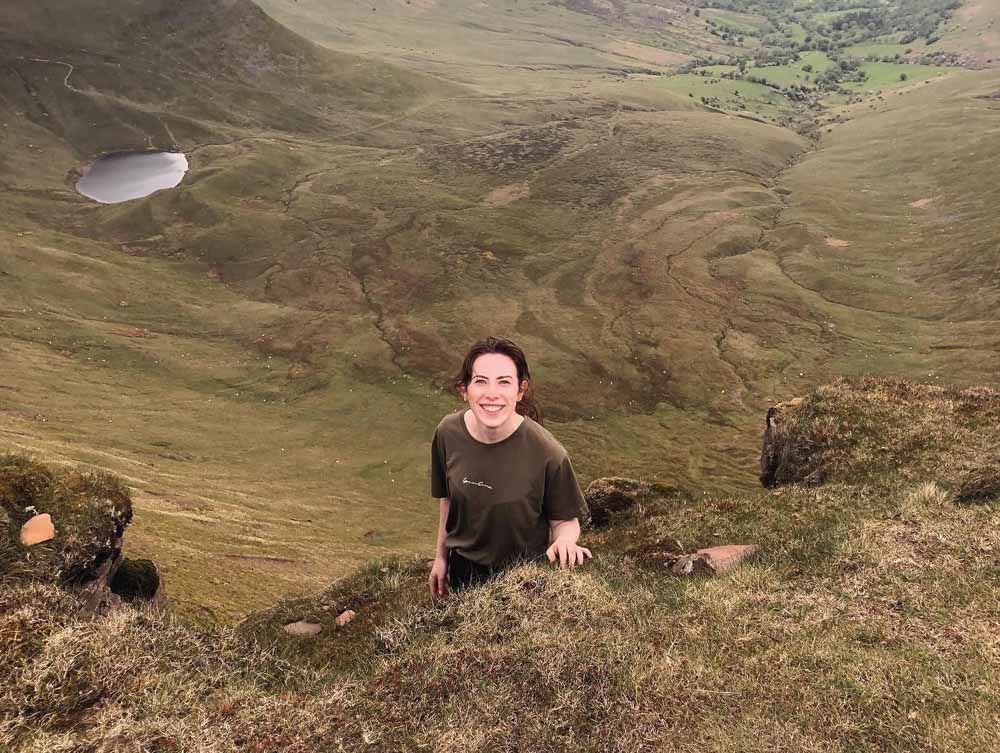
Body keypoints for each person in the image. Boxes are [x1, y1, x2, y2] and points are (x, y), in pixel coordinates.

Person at [428, 336, 592, 598]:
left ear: (520, 390)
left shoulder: (549, 453)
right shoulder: (447, 433)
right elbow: (447, 501)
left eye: (504, 382)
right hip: (462, 573)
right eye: (481, 381)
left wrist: (565, 541)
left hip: (523, 582)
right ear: (465, 390)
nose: (491, 393)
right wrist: (441, 558)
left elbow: (565, 520)